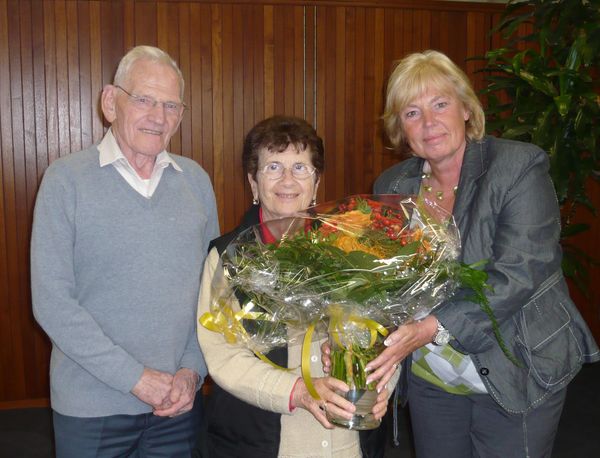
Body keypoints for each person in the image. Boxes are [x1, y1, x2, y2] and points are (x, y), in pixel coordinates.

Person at [341, 49, 600, 457]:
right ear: (400, 128)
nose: (428, 123)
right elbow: (386, 280)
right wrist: (349, 330)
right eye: (411, 112)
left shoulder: (517, 167)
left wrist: (429, 328)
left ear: (465, 108)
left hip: (517, 363)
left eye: (440, 104)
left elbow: (519, 273)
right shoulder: (393, 184)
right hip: (433, 377)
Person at [31, 45, 219, 457]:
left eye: (171, 105)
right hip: (92, 409)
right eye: (145, 99)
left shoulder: (196, 183)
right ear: (110, 102)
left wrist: (192, 371)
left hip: (178, 406)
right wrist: (136, 378)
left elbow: (213, 295)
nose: (158, 116)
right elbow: (52, 303)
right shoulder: (66, 181)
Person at [196, 115, 396, 458]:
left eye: (301, 168)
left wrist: (381, 388)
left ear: (317, 183)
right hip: (263, 444)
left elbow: (386, 335)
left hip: (348, 443)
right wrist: (298, 391)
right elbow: (222, 355)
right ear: (254, 184)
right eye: (273, 167)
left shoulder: (353, 248)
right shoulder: (228, 257)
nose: (287, 179)